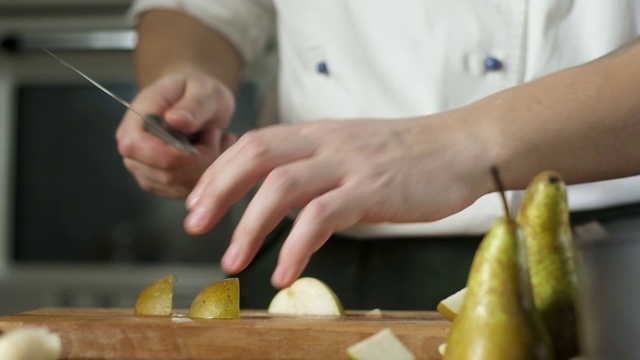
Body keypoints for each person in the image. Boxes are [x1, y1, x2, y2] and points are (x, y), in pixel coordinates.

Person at [117, 1, 640, 309]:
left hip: (608, 255)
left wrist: (461, 145)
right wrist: (187, 75)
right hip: (320, 253)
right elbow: (201, 9)